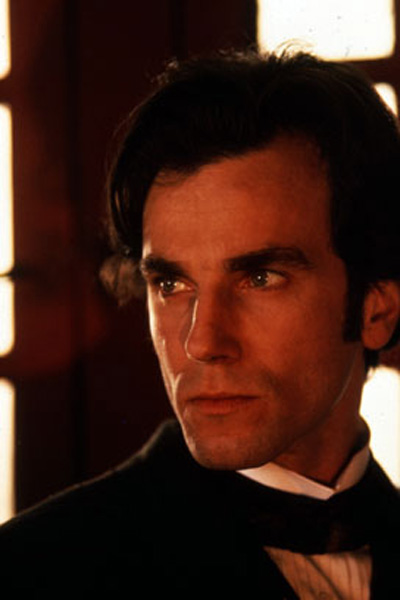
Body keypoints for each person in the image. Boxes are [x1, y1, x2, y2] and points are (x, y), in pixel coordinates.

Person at [0, 49, 400, 597]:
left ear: (377, 309)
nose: (202, 341)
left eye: (260, 278)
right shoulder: (30, 574)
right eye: (171, 284)